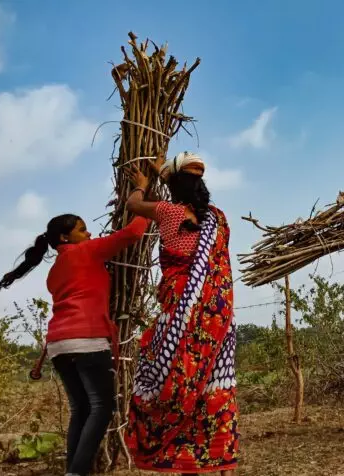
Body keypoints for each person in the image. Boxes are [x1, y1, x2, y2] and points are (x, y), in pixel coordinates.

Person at [0, 213, 149, 475]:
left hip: (58, 346)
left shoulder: (55, 271)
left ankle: (73, 471)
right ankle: (75, 472)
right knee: (102, 408)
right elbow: (133, 232)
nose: (88, 234)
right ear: (66, 237)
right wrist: (142, 203)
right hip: (87, 341)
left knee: (81, 408)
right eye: (82, 229)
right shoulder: (88, 250)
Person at [124, 152, 239, 475]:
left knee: (172, 381)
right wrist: (165, 173)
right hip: (217, 319)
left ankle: (177, 455)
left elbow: (133, 206)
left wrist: (142, 185)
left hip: (179, 312)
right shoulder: (218, 219)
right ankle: (222, 462)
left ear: (172, 186)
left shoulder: (167, 211)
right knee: (215, 384)